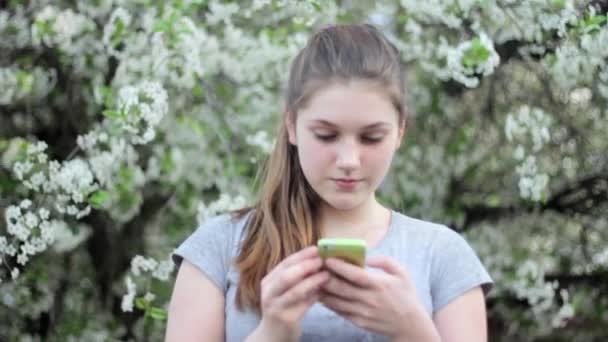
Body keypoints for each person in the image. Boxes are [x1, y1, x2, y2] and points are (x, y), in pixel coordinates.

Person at [165, 23, 493, 342]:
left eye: (371, 137)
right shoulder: (220, 245)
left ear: (400, 131)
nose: (349, 160)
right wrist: (272, 333)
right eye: (326, 135)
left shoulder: (443, 255)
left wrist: (411, 331)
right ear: (292, 124)